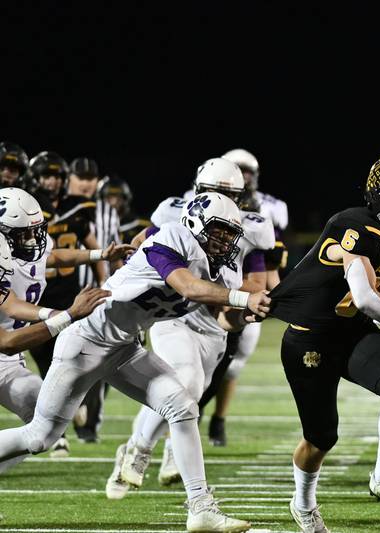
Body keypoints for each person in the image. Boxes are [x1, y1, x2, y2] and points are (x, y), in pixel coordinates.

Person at [0, 191, 267, 531]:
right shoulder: (171, 237)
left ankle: (201, 507)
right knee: (39, 438)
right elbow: (187, 287)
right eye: (219, 231)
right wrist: (246, 296)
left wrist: (250, 313)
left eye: (231, 234)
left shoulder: (224, 269)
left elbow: (225, 317)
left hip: (124, 347)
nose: (225, 241)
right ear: (195, 223)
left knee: (183, 405)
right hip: (85, 341)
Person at [268, 155, 380, 532]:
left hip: (351, 332)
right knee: (321, 438)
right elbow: (365, 297)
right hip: (309, 338)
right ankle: (302, 503)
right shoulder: (353, 226)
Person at [105, 157, 275, 497]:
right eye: (211, 192)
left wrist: (243, 301)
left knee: (191, 392)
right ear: (198, 191)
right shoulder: (173, 215)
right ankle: (140, 450)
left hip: (214, 321)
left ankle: (138, 447)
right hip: (175, 312)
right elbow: (141, 247)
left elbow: (259, 281)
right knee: (183, 380)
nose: (217, 200)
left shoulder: (250, 225)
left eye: (225, 193)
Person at [200, 147, 288, 447]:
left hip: (241, 294)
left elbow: (268, 267)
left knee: (230, 365)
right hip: (199, 298)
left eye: (248, 171)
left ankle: (216, 419)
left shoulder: (267, 211)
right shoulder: (192, 204)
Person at [27, 151, 106, 456]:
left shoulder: (76, 208)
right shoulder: (29, 208)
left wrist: (103, 282)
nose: (53, 181)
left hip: (70, 296)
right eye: (47, 175)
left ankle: (70, 412)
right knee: (46, 362)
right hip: (38, 295)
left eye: (57, 176)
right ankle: (58, 432)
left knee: (74, 358)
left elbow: (93, 247)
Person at [69, 157, 122, 443]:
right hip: (64, 295)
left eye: (91, 177)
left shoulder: (106, 212)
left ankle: (88, 424)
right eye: (81, 177)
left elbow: (114, 257)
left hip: (98, 295)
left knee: (101, 361)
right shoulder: (58, 207)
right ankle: (66, 415)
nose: (87, 183)